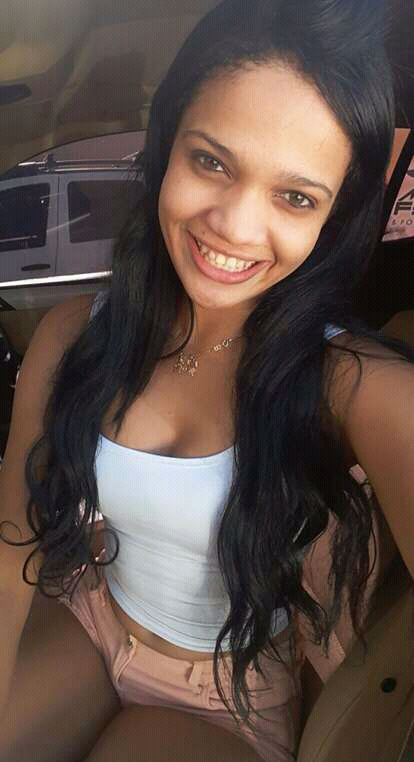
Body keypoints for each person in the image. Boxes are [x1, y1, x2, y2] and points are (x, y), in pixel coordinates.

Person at [1, 1, 413, 760]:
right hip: (91, 618)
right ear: (166, 147)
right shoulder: (73, 335)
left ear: (331, 219)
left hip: (226, 697)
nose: (234, 226)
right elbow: (11, 543)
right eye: (212, 162)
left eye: (295, 197)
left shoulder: (352, 386)